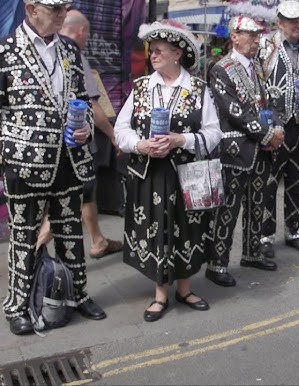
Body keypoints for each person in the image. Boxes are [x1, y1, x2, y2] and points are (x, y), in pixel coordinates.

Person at [0, 0, 107, 335]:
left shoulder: (70, 51)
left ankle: (77, 294)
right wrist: (8, 150)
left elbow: (85, 101)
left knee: (70, 230)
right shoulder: (5, 51)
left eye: (64, 7)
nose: (62, 12)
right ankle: (16, 304)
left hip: (69, 158)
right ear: (32, 9)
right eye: (55, 7)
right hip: (25, 162)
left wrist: (87, 126)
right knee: (23, 235)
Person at [114, 20, 221, 321]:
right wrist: (141, 145)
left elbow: (214, 134)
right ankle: (160, 295)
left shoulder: (199, 89)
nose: (153, 56)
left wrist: (180, 140)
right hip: (151, 174)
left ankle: (185, 290)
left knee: (188, 230)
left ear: (177, 53)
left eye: (160, 51)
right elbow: (121, 129)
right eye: (152, 50)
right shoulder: (142, 87)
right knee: (156, 229)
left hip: (188, 175)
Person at [36, 9, 123, 260]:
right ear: (82, 31)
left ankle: (97, 240)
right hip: (71, 148)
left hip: (49, 146)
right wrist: (113, 134)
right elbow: (91, 105)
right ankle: (33, 255)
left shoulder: (45, 50)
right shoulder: (69, 52)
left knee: (85, 193)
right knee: (66, 202)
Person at [205, 15, 285, 286]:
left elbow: (268, 102)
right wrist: (267, 135)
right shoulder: (221, 68)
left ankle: (251, 253)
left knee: (257, 203)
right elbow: (234, 111)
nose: (255, 40)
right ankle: (217, 264)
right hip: (234, 149)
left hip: (260, 149)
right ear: (234, 37)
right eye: (249, 35)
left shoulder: (258, 67)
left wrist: (276, 128)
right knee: (228, 208)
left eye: (257, 35)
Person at [257, 1, 299, 259]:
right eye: (291, 21)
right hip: (275, 126)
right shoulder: (266, 47)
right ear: (279, 23)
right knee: (269, 182)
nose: (297, 25)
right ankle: (265, 235)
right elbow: (258, 85)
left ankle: (294, 232)